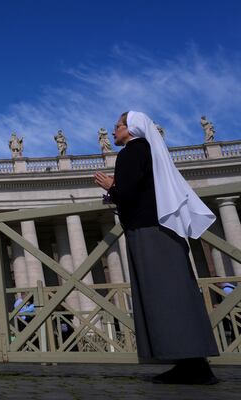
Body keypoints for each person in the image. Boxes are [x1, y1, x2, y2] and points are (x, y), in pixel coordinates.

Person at [94, 111, 219, 385]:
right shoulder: (150, 152)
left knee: (163, 297)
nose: (113, 131)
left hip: (148, 230)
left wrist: (110, 187)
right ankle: (195, 363)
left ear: (131, 128)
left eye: (117, 126)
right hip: (167, 229)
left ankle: (191, 366)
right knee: (179, 294)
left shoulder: (130, 153)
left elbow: (127, 194)